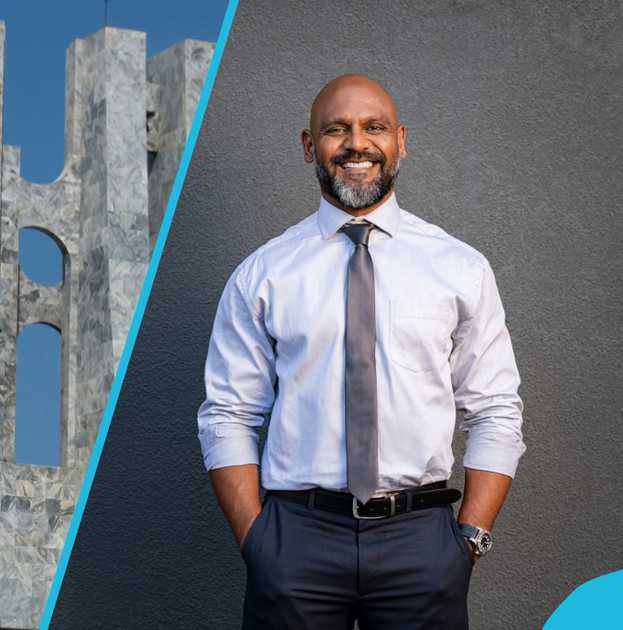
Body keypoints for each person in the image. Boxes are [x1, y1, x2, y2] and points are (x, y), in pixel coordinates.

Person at [197, 73, 526, 629]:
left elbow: (496, 410)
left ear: (400, 141)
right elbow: (226, 414)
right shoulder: (264, 273)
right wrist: (258, 542)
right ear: (309, 146)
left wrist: (468, 539)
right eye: (336, 129)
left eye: (373, 128)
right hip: (295, 541)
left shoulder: (458, 267)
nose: (356, 144)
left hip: (421, 542)